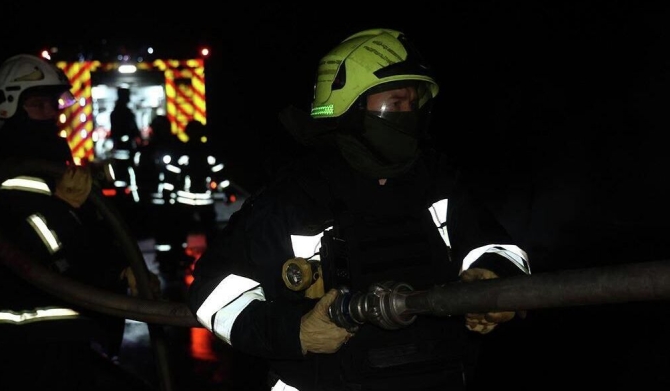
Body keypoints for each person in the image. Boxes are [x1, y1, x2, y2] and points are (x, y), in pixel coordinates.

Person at [186, 29, 532, 390]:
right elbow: (214, 290)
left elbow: (495, 246)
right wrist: (296, 333)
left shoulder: (438, 180)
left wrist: (492, 279)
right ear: (349, 107)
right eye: (395, 104)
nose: (407, 114)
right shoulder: (296, 196)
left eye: (413, 104)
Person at [0, 54, 139, 390]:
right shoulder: (1, 167)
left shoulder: (44, 159)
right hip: (28, 330)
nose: (52, 113)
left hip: (61, 326)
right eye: (39, 105)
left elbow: (84, 233)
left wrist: (120, 270)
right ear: (8, 107)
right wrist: (65, 205)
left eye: (54, 103)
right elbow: (41, 245)